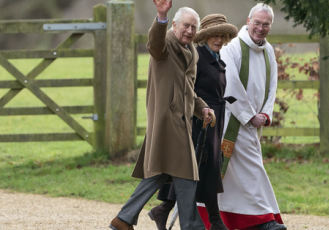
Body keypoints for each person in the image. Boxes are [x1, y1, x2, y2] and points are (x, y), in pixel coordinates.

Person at [109, 0, 215, 230]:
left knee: (160, 173)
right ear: (174, 25)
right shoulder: (165, 43)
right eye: (185, 26)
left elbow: (188, 90)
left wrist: (202, 108)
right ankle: (192, 226)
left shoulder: (191, 51)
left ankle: (124, 219)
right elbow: (154, 44)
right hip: (167, 121)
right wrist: (161, 16)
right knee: (187, 173)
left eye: (193, 27)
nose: (189, 31)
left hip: (182, 121)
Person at [148, 14, 238, 230]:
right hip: (198, 122)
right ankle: (215, 221)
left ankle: (163, 209)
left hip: (214, 119)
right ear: (205, 37)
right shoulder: (197, 56)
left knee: (203, 168)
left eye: (222, 36)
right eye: (214, 35)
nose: (218, 39)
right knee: (199, 168)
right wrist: (197, 111)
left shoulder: (217, 58)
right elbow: (188, 89)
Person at [216, 3, 287, 230]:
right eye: (257, 23)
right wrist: (249, 115)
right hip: (232, 122)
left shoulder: (268, 51)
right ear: (248, 21)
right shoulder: (233, 48)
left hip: (254, 123)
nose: (260, 28)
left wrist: (266, 113)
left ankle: (223, 220)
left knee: (233, 177)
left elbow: (272, 85)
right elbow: (230, 85)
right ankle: (264, 221)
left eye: (266, 24)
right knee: (252, 170)